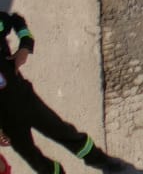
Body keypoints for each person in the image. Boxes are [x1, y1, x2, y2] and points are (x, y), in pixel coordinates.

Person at [0, 10, 127, 173]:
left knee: (64, 133)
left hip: (26, 99)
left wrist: (25, 46)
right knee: (35, 160)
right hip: (7, 120)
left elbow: (17, 21)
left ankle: (101, 160)